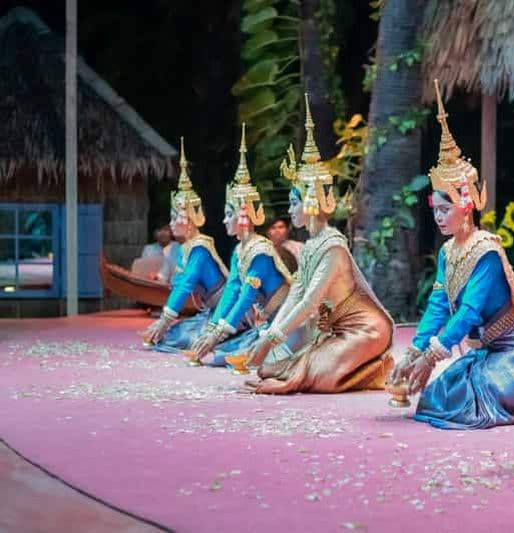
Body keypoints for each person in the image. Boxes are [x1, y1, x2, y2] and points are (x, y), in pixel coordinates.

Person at [386, 80, 514, 430]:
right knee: (437, 399)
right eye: (436, 209)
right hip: (486, 352)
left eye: (446, 208)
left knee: (481, 398)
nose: (439, 216)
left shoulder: (486, 251)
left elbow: (469, 311)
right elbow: (437, 305)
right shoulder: (449, 252)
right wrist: (415, 350)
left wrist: (434, 354)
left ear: (467, 206)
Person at [241, 94, 394, 394]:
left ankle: (369, 368)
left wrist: (271, 339)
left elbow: (311, 302)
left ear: (311, 204)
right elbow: (296, 294)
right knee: (268, 368)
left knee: (314, 376)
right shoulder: (310, 247)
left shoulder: (333, 248)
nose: (290, 210)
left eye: (293, 203)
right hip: (337, 332)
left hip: (366, 330)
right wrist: (272, 335)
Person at [185, 124, 296, 366]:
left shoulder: (260, 252)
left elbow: (246, 297)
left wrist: (217, 334)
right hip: (266, 322)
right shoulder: (240, 250)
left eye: (229, 213)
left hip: (284, 324)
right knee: (222, 351)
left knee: (229, 356)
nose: (224, 220)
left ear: (243, 215)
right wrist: (214, 327)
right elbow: (232, 290)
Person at [140, 138, 228, 349]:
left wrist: (163, 320)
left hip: (225, 313)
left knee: (178, 338)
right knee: (173, 334)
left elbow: (187, 283)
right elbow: (179, 285)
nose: (171, 224)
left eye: (174, 218)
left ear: (187, 219)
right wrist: (164, 320)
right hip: (209, 311)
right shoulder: (184, 249)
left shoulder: (200, 248)